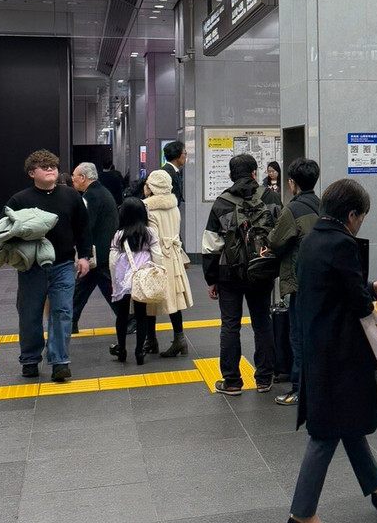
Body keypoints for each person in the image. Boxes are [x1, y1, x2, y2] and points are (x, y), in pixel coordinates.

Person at [288, 178, 377, 523]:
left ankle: (376, 483)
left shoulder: (311, 240)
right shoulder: (343, 243)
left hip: (317, 345)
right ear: (352, 214)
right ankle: (301, 514)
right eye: (362, 217)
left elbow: (332, 284)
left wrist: (369, 286)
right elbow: (357, 302)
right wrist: (370, 295)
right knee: (325, 432)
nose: (360, 224)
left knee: (346, 419)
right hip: (340, 351)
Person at [6, 149, 90, 382]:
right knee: (29, 314)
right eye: (44, 166)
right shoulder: (19, 200)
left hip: (64, 264)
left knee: (62, 312)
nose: (51, 168)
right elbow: (5, 231)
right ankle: (30, 358)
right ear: (32, 173)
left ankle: (60, 361)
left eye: (53, 165)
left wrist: (84, 256)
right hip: (31, 267)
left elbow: (83, 228)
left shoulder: (71, 196)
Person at [202, 153, 281, 395]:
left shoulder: (221, 202)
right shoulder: (270, 197)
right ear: (255, 173)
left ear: (230, 175)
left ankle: (232, 381)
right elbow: (280, 234)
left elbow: (211, 245)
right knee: (262, 322)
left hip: (229, 273)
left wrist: (211, 279)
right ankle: (264, 378)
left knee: (230, 325)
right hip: (261, 270)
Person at [269, 157, 322, 407]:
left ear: (292, 183)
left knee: (298, 337)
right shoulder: (322, 206)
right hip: (321, 282)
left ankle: (299, 389)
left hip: (300, 283)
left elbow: (275, 241)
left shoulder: (292, 209)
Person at [143, 169, 194, 358]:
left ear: (152, 187)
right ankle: (179, 338)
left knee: (149, 297)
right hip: (173, 256)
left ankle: (151, 339)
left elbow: (152, 239)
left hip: (156, 257)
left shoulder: (148, 209)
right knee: (175, 299)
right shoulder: (174, 207)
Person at [109, 198, 161, 365]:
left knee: (122, 314)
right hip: (142, 278)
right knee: (141, 314)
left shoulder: (119, 235)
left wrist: (114, 280)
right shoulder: (149, 233)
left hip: (123, 278)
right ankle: (139, 351)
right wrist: (157, 273)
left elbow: (113, 259)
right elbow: (157, 255)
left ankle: (122, 350)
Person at [71, 162, 119, 337]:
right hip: (103, 250)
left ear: (83, 177)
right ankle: (70, 321)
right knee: (84, 287)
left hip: (97, 253)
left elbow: (86, 226)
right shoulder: (102, 192)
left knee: (101, 287)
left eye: (74, 176)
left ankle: (128, 318)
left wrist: (81, 249)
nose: (72, 179)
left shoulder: (90, 196)